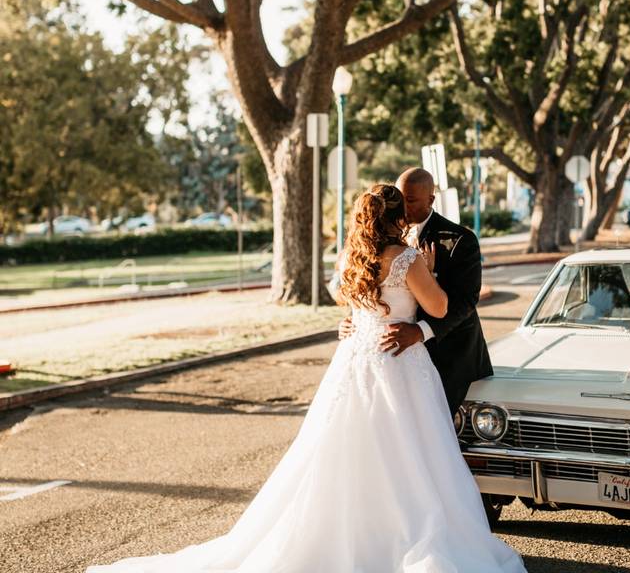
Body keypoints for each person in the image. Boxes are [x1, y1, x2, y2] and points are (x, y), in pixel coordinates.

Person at [86, 184, 525, 572]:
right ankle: (395, 534)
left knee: (349, 451)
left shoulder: (352, 257)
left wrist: (356, 321)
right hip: (398, 363)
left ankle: (350, 533)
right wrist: (425, 270)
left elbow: (348, 301)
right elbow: (443, 307)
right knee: (412, 454)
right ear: (394, 217)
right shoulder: (407, 258)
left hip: (356, 359)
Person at [340, 168, 492, 415]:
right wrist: (355, 318)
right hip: (389, 356)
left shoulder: (460, 240)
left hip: (448, 354)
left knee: (440, 432)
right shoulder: (370, 242)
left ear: (430, 200)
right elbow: (368, 284)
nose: (402, 207)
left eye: (410, 200)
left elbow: (466, 301)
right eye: (399, 199)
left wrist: (421, 331)